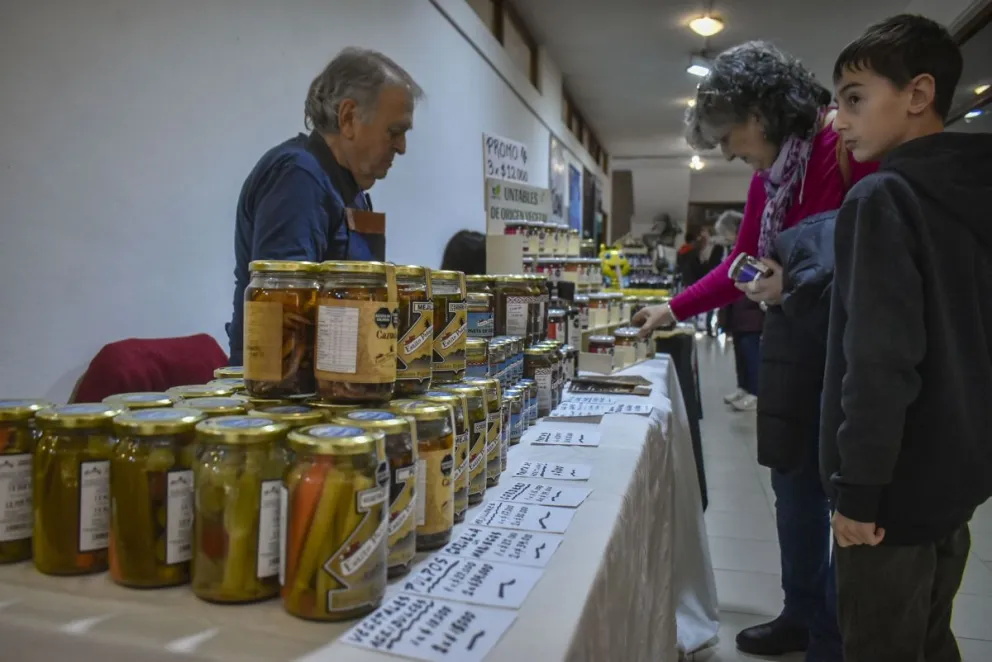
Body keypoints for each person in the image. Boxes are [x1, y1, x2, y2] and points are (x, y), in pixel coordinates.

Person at [632, 41, 876, 660]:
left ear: (763, 114)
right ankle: (801, 611)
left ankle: (832, 632)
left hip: (849, 352)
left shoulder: (845, 150)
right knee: (793, 490)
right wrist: (674, 307)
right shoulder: (771, 176)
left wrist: (792, 279)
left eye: (730, 135)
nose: (728, 151)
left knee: (843, 496)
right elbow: (744, 264)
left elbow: (877, 261)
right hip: (794, 347)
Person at [823, 15, 992, 661]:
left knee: (882, 642)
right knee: (929, 631)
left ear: (919, 94)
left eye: (855, 98)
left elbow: (879, 361)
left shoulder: (884, 198)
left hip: (891, 484)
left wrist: (858, 490)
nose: (838, 121)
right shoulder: (971, 194)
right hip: (957, 469)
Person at [227, 48, 423, 364]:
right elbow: (286, 310)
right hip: (288, 389)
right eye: (395, 131)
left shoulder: (350, 188)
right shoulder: (298, 176)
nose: (402, 147)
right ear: (348, 118)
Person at [714, 211, 763, 411]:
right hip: (736, 311)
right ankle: (743, 387)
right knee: (740, 354)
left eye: (726, 233)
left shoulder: (753, 249)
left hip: (751, 312)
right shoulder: (731, 250)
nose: (725, 237)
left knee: (751, 354)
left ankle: (755, 392)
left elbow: (752, 278)